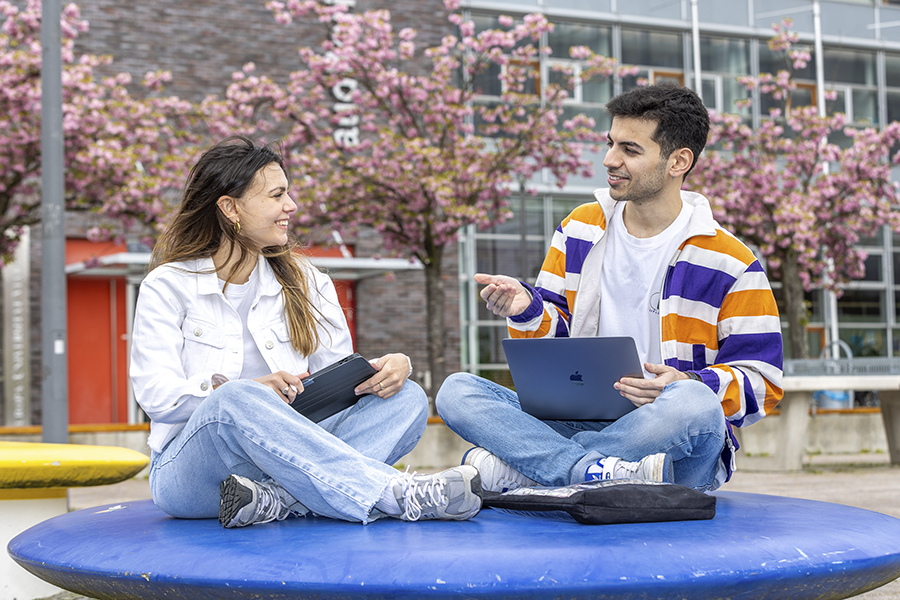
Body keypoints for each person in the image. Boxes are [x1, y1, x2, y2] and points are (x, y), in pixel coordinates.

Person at [436, 84, 783, 494]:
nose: (609, 160)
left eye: (630, 150)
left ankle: (541, 469)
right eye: (610, 143)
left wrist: (683, 382)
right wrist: (526, 308)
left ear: (678, 162)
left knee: (694, 403)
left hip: (667, 432)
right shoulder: (579, 228)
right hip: (577, 416)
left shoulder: (731, 261)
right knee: (457, 390)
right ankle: (589, 473)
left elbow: (763, 381)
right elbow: (555, 344)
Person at [130, 135, 482, 527]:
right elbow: (156, 395)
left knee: (408, 398)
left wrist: (381, 371)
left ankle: (275, 501)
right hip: (196, 473)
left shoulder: (310, 282)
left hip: (295, 459)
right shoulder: (168, 285)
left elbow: (338, 386)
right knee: (236, 397)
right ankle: (390, 493)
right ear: (230, 208)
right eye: (277, 195)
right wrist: (241, 391)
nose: (291, 206)